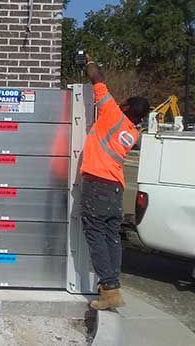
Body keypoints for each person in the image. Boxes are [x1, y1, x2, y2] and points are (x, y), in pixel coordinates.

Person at [80, 55, 150, 310]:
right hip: (115, 187)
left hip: (97, 184)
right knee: (111, 236)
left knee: (95, 234)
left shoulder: (112, 114)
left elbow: (97, 79)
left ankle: (108, 290)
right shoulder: (132, 133)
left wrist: (88, 61)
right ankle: (114, 287)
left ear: (127, 109)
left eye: (125, 103)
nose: (121, 103)